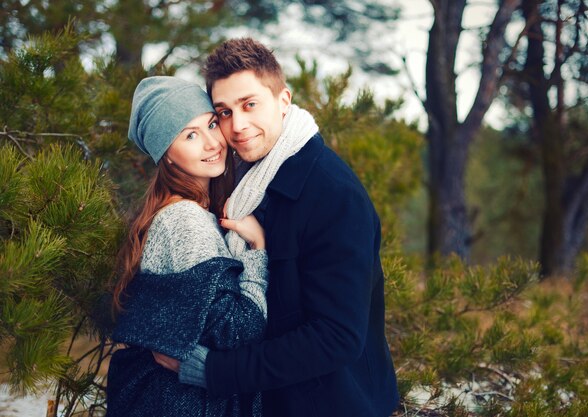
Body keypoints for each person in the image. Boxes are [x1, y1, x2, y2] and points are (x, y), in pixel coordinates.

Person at [154, 38, 400, 417]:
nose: (237, 126)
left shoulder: (332, 194)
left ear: (283, 100)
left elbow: (337, 337)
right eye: (224, 111)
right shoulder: (245, 182)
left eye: (250, 104)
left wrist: (218, 370)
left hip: (332, 405)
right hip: (274, 401)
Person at [106, 76, 268, 417]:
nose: (212, 143)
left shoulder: (185, 212)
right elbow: (236, 328)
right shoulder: (185, 221)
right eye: (191, 135)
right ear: (166, 154)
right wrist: (257, 249)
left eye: (211, 124)